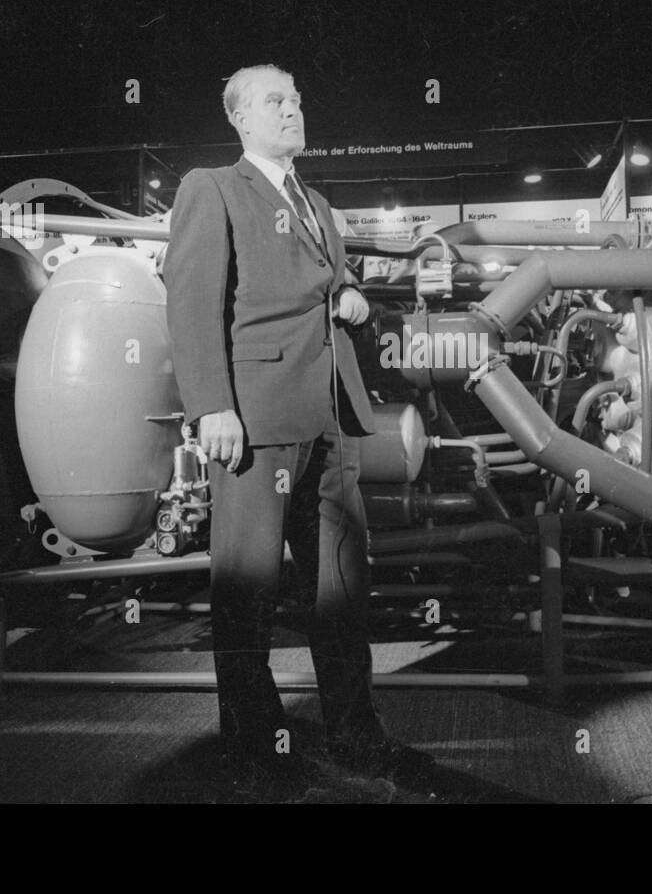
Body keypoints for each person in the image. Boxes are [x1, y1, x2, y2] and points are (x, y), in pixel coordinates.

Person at [164, 64, 408, 780]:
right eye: (276, 101)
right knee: (247, 592)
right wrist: (212, 405)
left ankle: (355, 733)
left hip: (331, 418)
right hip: (255, 421)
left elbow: (329, 285)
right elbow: (192, 299)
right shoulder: (210, 188)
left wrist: (355, 294)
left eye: (297, 99)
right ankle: (251, 742)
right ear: (239, 118)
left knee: (341, 586)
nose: (293, 110)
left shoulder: (319, 204)